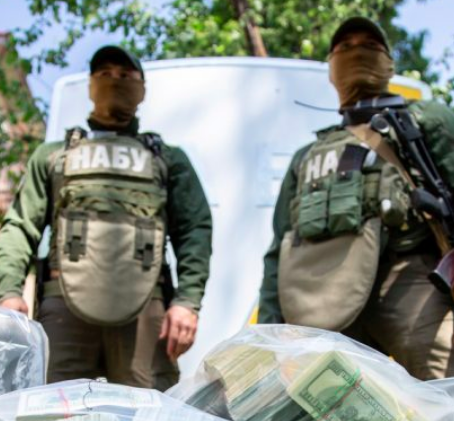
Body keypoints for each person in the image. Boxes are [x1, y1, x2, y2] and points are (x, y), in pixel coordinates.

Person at [0, 45, 212, 391]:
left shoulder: (167, 159)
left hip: (145, 307)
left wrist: (187, 303)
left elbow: (195, 232)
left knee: (151, 409)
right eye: (105, 74)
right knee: (51, 407)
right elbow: (20, 227)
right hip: (63, 305)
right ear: (90, 86)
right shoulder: (54, 156)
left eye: (125, 75)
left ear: (142, 88)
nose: (115, 81)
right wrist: (8, 292)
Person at [258, 16, 454, 380]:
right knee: (321, 400)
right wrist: (269, 330)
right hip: (320, 295)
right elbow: (280, 247)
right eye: (345, 48)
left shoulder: (426, 120)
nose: (356, 53)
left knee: (444, 386)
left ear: (388, 64)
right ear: (331, 70)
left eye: (370, 46)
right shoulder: (307, 155)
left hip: (410, 280)